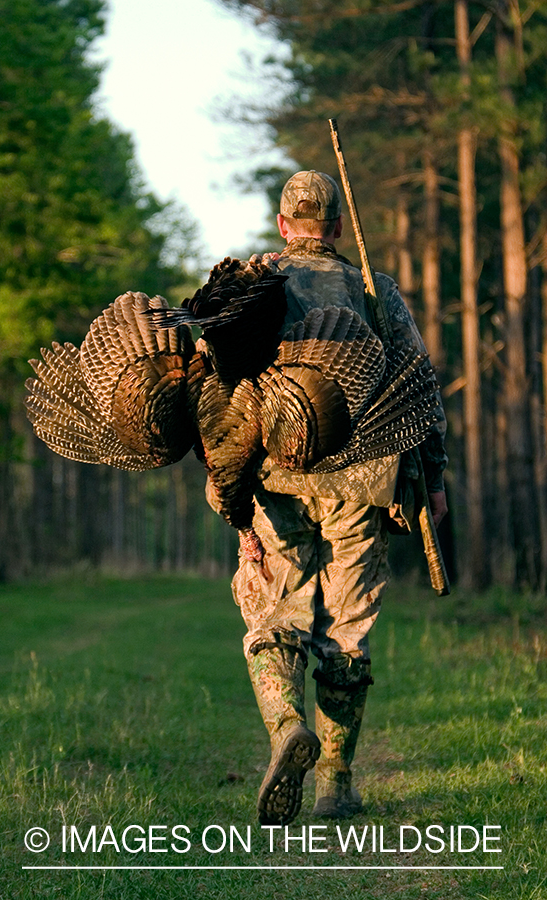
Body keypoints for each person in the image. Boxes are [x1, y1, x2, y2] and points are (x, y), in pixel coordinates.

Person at [232, 170, 448, 825]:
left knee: (273, 614)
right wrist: (433, 483)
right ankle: (334, 782)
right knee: (345, 631)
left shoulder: (256, 285)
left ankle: (285, 726)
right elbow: (420, 392)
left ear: (283, 224)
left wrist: (233, 494)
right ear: (337, 228)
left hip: (279, 475)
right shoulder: (374, 290)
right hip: (364, 478)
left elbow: (222, 393)